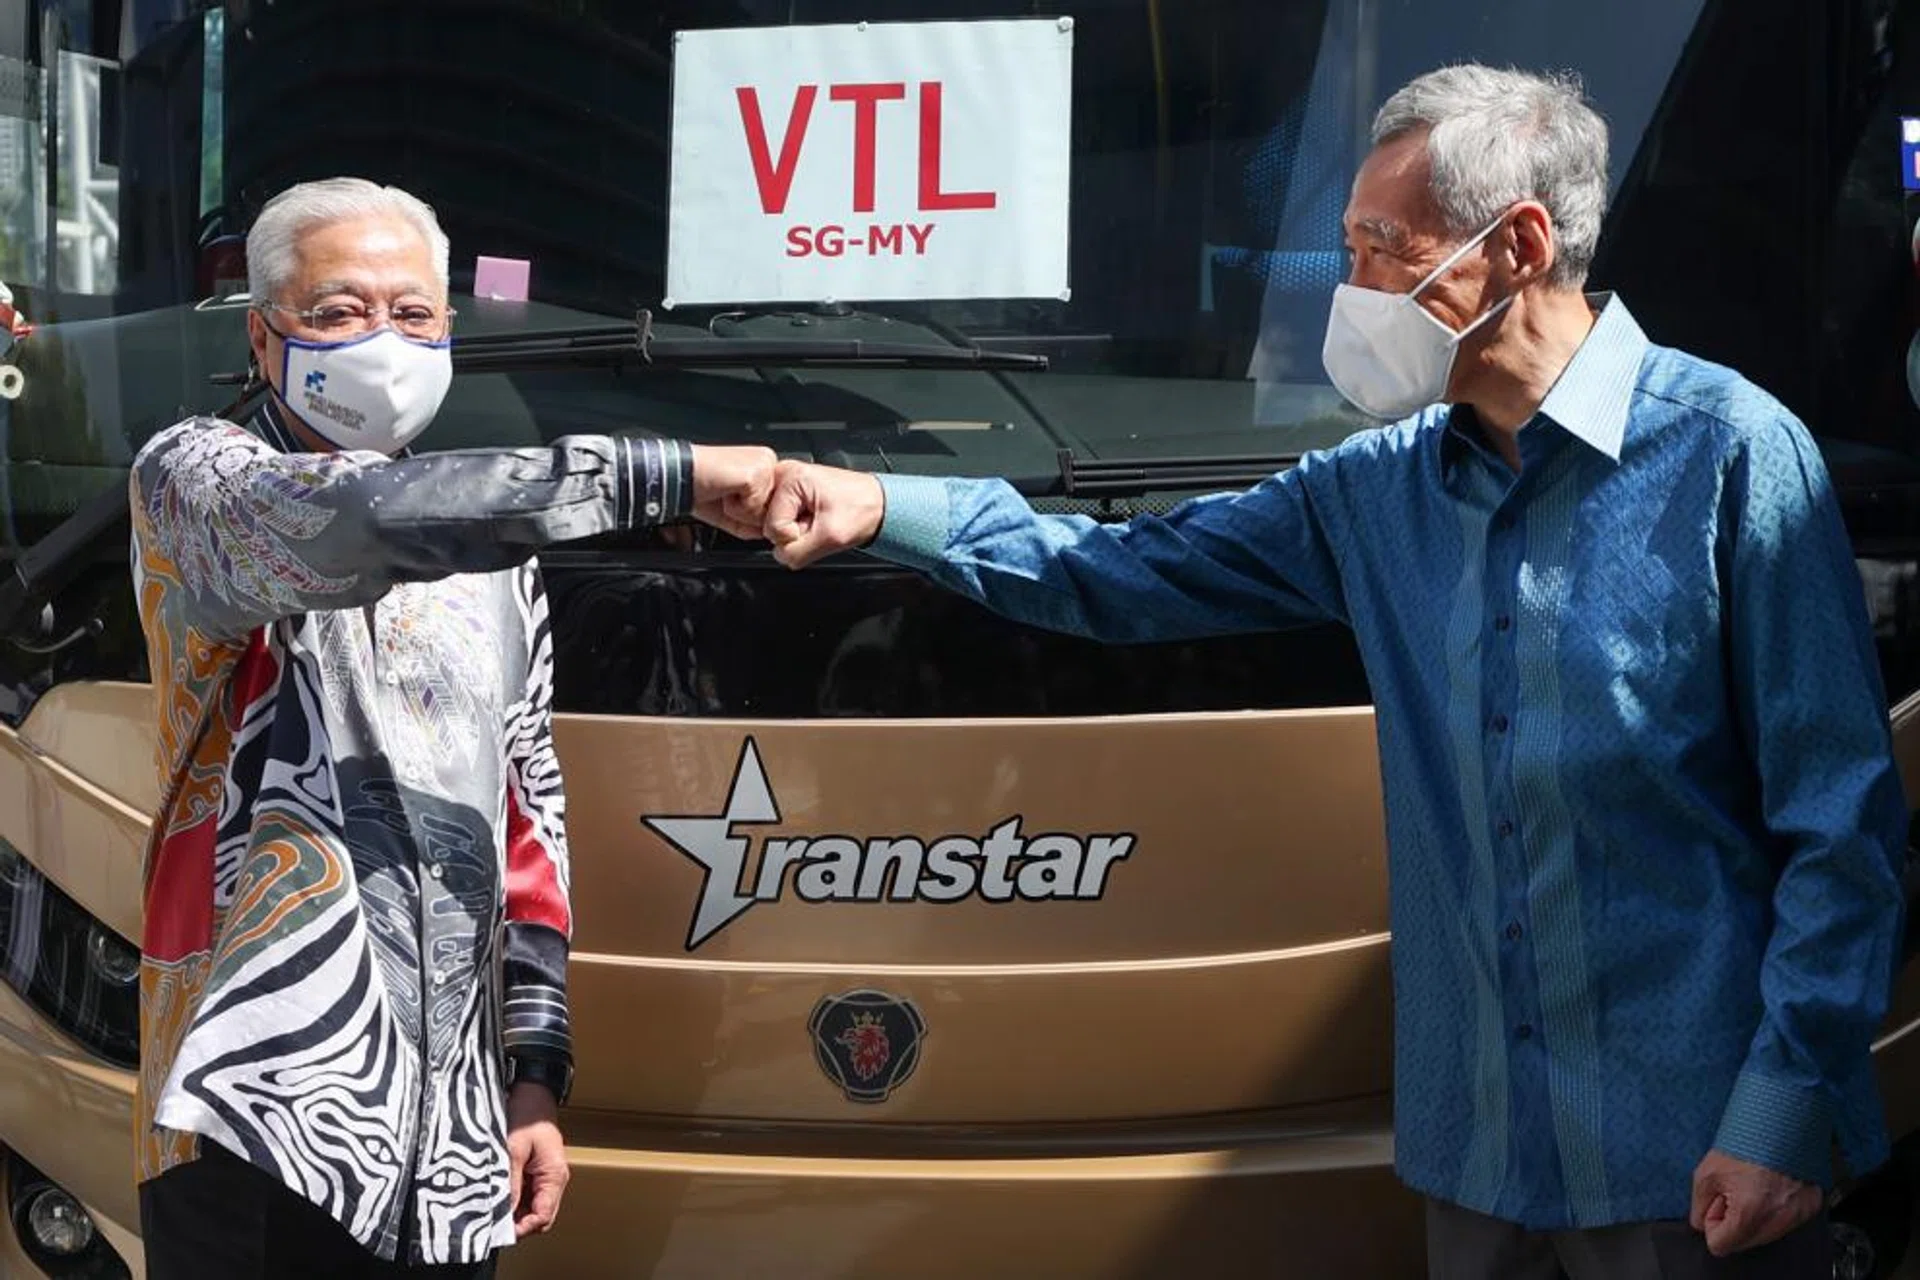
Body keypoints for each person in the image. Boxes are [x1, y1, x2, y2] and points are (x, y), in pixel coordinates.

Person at [755, 66, 1907, 1279]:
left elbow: (1847, 834)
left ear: (1516, 246)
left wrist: (1780, 1110)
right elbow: (1117, 569)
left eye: (1377, 249)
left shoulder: (1733, 457)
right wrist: (881, 501)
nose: (1350, 291)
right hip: (1482, 1164)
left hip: (1701, 1168)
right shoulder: (1377, 488)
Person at [128, 177, 774, 1278]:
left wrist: (535, 1068)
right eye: (338, 311)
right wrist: (659, 474)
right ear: (262, 331)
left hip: (454, 1140)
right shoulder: (195, 478)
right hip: (250, 1112)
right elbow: (352, 520)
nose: (383, 339)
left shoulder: (500, 554)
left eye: (414, 313)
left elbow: (530, 816)